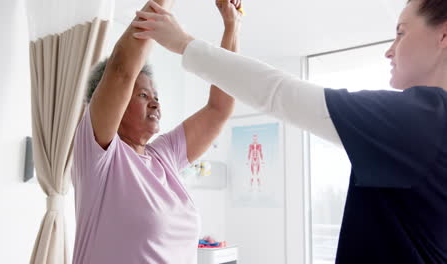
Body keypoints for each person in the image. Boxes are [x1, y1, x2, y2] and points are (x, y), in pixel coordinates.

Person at [132, 0, 447, 262]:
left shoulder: (424, 118)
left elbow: (278, 93)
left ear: (443, 37)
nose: (389, 51)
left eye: (401, 34)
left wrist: (183, 43)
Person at [71, 0, 243, 263]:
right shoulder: (99, 156)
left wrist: (232, 25)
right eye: (142, 94)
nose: (155, 102)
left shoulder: (165, 155)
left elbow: (219, 109)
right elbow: (121, 70)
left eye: (156, 96)